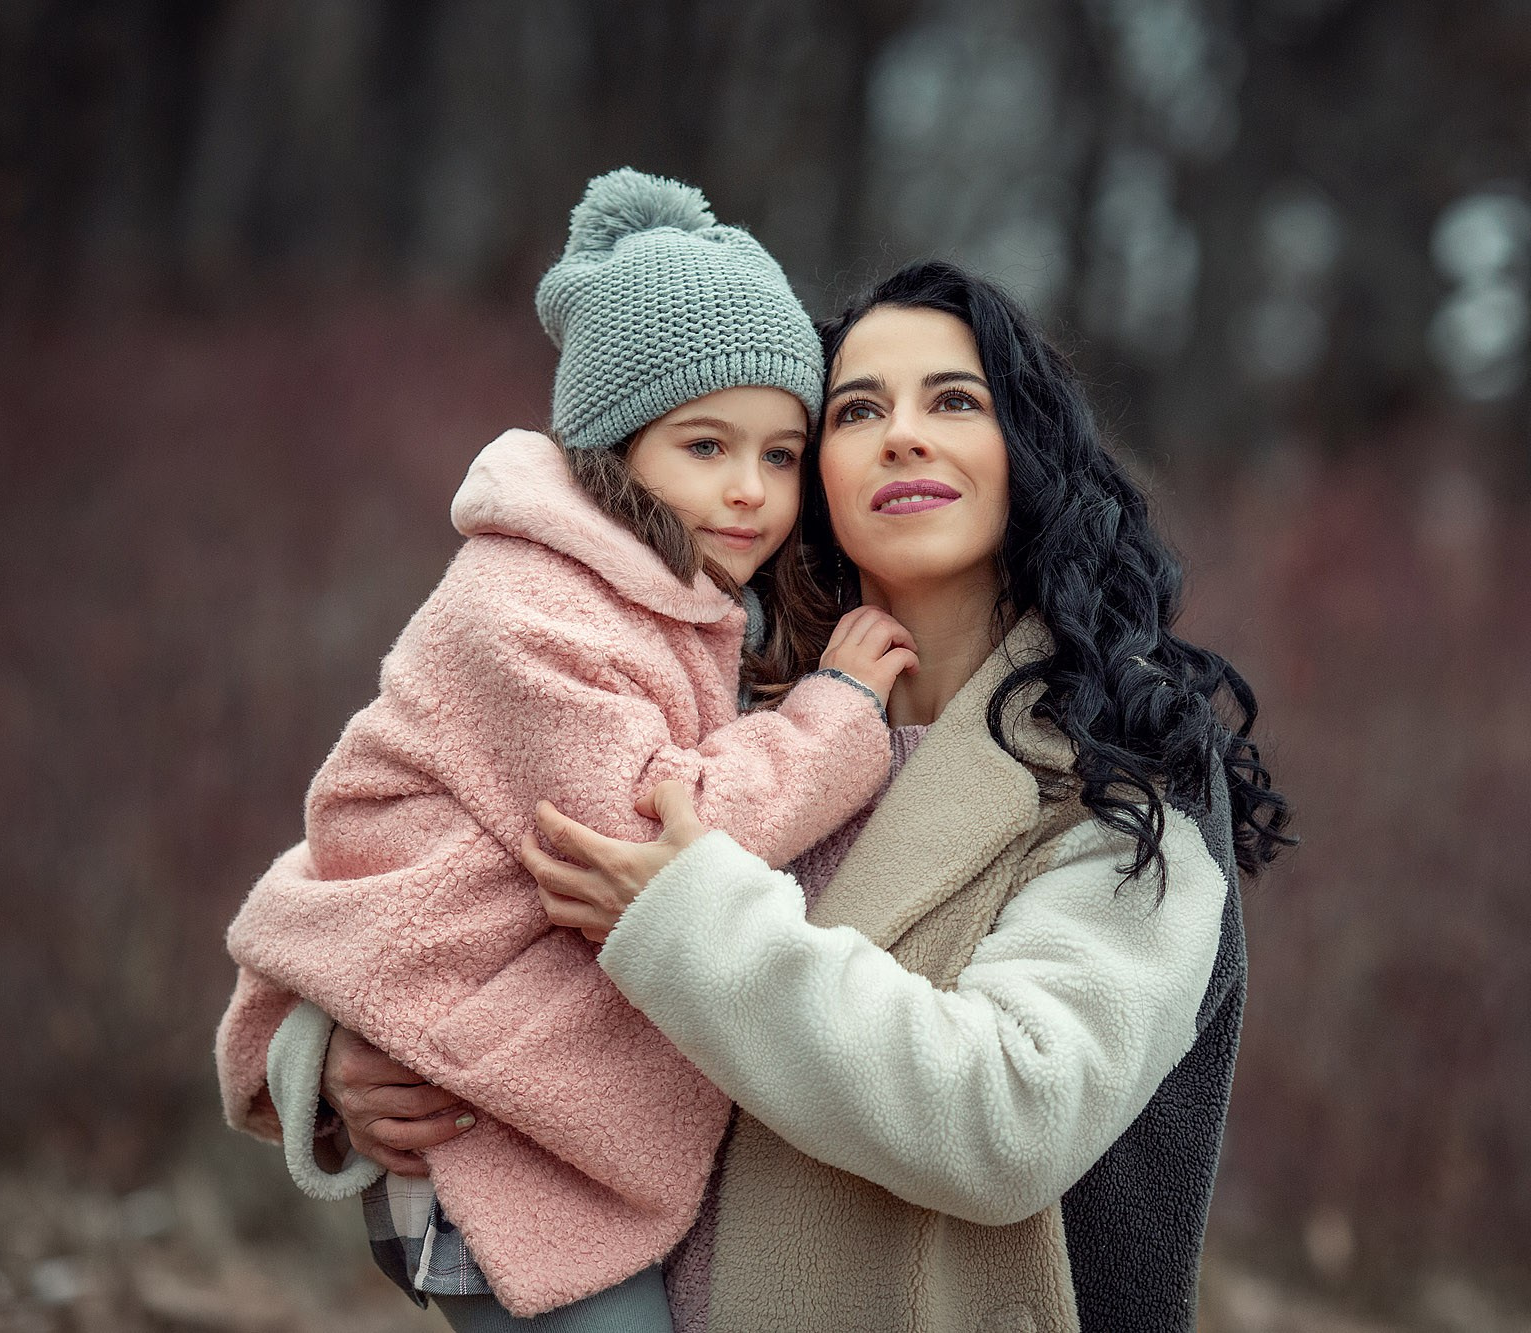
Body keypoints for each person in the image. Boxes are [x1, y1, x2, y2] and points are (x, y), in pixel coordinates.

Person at [323, 260, 1293, 1331]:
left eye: (953, 401)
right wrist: (338, 1058)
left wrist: (690, 924)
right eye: (856, 409)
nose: (903, 434)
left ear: (1026, 451)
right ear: (811, 472)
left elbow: (1011, 1114)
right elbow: (430, 854)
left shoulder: (1119, 773)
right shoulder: (734, 714)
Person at [212, 168, 918, 1331]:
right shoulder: (526, 609)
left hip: (551, 1135)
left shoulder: (685, 596)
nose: (749, 491)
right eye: (704, 445)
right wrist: (838, 713)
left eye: (781, 454)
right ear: (612, 448)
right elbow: (660, 846)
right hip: (483, 1154)